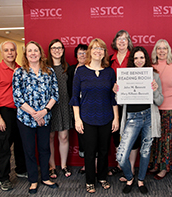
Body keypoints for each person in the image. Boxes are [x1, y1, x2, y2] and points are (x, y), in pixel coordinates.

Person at [69, 38, 119, 193]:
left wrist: (116, 118)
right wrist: (77, 119)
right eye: (95, 48)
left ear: (105, 52)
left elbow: (113, 97)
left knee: (104, 150)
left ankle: (102, 177)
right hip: (87, 118)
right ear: (90, 51)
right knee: (90, 152)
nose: (98, 51)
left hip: (106, 117)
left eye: (101, 49)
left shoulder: (110, 72)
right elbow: (75, 97)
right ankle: (90, 180)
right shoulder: (81, 71)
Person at [115, 46, 164, 194]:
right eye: (136, 58)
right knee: (121, 156)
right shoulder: (125, 75)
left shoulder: (154, 76)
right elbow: (120, 102)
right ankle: (130, 177)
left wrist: (155, 90)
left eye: (142, 57)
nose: (139, 60)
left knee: (145, 151)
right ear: (132, 60)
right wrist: (117, 92)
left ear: (146, 59)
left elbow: (160, 101)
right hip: (131, 118)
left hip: (149, 116)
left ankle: (141, 180)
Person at [12, 41, 59, 194]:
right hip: (25, 119)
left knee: (45, 149)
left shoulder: (49, 71)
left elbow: (55, 95)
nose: (33, 53)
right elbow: (17, 98)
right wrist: (34, 114)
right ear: (26, 54)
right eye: (30, 51)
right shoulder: (19, 72)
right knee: (29, 150)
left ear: (40, 53)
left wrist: (44, 112)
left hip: (45, 117)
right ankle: (33, 180)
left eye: (36, 50)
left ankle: (45, 177)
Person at [0, 41, 27, 191]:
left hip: (21, 111)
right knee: (4, 146)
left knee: (20, 143)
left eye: (12, 50)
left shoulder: (21, 69)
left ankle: (21, 169)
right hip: (4, 111)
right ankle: (3, 177)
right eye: (6, 50)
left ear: (16, 52)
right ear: (2, 53)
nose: (10, 53)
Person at [149, 39, 172, 180]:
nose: (162, 51)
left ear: (168, 51)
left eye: (165, 48)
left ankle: (165, 167)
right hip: (154, 108)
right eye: (159, 48)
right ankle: (156, 164)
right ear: (155, 51)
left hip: (169, 109)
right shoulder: (150, 67)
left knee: (166, 139)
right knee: (155, 139)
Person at [108, 30, 138, 182]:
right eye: (119, 39)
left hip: (132, 103)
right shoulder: (109, 59)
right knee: (117, 133)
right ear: (115, 42)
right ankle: (120, 164)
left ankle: (131, 168)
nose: (121, 41)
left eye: (124, 39)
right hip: (115, 103)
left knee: (132, 134)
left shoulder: (134, 57)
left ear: (128, 42)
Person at [47, 39, 73, 179]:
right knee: (50, 137)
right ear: (50, 50)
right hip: (49, 107)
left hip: (64, 105)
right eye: (54, 48)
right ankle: (52, 166)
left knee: (63, 137)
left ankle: (63, 165)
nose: (57, 50)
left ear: (63, 51)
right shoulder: (44, 67)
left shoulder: (67, 67)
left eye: (60, 48)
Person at [67, 43, 88, 174]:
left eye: (85, 53)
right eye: (80, 53)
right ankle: (86, 163)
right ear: (76, 55)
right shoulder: (71, 70)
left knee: (91, 135)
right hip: (75, 106)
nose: (82, 56)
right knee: (81, 135)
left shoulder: (93, 69)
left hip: (89, 106)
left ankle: (93, 164)